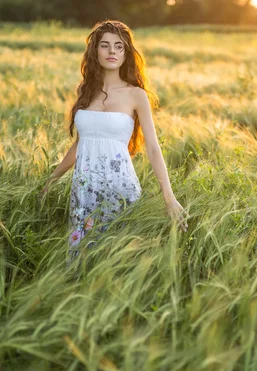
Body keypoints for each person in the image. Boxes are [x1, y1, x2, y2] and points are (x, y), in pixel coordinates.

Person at [38, 20, 188, 264]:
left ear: (126, 53)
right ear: (95, 52)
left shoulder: (136, 94)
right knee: (82, 263)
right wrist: (51, 181)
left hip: (119, 190)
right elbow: (80, 144)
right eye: (105, 46)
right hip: (84, 192)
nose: (112, 52)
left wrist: (169, 198)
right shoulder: (85, 92)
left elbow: (152, 147)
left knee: (117, 260)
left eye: (119, 47)